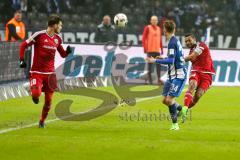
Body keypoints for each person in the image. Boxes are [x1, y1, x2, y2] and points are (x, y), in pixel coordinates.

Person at [19, 15, 72, 128]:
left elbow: (62, 54)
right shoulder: (39, 35)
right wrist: (21, 60)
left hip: (50, 74)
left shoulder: (58, 39)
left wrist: (67, 52)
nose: (61, 27)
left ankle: (42, 121)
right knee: (37, 94)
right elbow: (24, 45)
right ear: (54, 25)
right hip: (37, 72)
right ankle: (34, 90)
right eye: (60, 25)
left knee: (48, 101)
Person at [146, 20, 186, 130]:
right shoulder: (174, 41)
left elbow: (171, 61)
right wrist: (162, 57)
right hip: (172, 75)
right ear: (174, 29)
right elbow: (172, 58)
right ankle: (182, 110)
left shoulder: (172, 43)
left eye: (163, 29)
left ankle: (175, 125)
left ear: (164, 30)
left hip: (179, 75)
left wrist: (154, 61)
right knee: (164, 100)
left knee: (169, 100)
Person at [180, 33, 215, 122]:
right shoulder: (191, 51)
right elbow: (190, 58)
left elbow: (192, 57)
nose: (187, 42)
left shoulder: (201, 45)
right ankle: (184, 108)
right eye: (186, 41)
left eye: (189, 40)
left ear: (194, 39)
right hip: (196, 72)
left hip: (207, 74)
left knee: (198, 96)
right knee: (192, 85)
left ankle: (185, 109)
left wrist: (177, 60)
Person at [142, 15, 164, 85]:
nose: (154, 21)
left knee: (158, 66)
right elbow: (143, 38)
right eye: (153, 20)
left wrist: (162, 49)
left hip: (157, 51)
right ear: (150, 21)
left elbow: (160, 40)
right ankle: (150, 81)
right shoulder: (147, 28)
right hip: (150, 50)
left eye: (155, 20)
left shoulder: (159, 29)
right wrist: (145, 48)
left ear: (157, 21)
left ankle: (159, 80)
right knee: (150, 67)